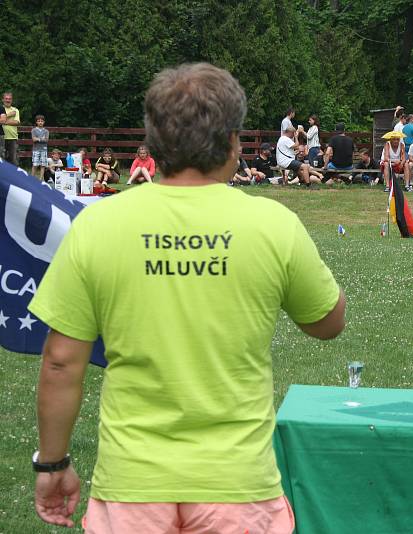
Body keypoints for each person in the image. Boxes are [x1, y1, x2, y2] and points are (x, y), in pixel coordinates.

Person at [29, 63, 345, 533]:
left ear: (153, 139)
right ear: (234, 141)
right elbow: (327, 322)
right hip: (238, 483)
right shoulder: (272, 224)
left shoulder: (97, 224)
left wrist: (52, 465)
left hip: (133, 483)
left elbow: (60, 363)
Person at [3, 92, 21, 165]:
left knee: (13, 160)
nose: (8, 100)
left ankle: (13, 176)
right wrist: (9, 115)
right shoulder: (0, 109)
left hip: (12, 137)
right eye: (6, 98)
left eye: (9, 99)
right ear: (3, 100)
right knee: (1, 159)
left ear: (12, 100)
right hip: (1, 137)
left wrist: (3, 121)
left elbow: (16, 122)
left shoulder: (15, 110)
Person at [31, 114, 50, 180]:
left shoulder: (46, 131)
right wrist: (41, 139)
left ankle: (40, 179)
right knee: (35, 164)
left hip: (44, 150)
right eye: (38, 121)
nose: (40, 122)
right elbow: (33, 139)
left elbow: (46, 140)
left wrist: (38, 139)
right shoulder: (33, 130)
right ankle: (32, 179)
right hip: (36, 149)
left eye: (41, 121)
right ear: (36, 122)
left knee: (43, 165)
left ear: (44, 122)